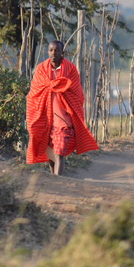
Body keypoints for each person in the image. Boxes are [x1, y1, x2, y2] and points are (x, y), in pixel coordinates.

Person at [26, 40, 99, 175]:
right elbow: (33, 95)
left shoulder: (70, 69)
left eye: (57, 50)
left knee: (59, 154)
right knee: (51, 156)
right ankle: (56, 182)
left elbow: (77, 95)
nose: (54, 53)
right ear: (47, 52)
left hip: (64, 121)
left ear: (62, 53)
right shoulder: (41, 70)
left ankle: (59, 182)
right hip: (45, 121)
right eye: (51, 50)